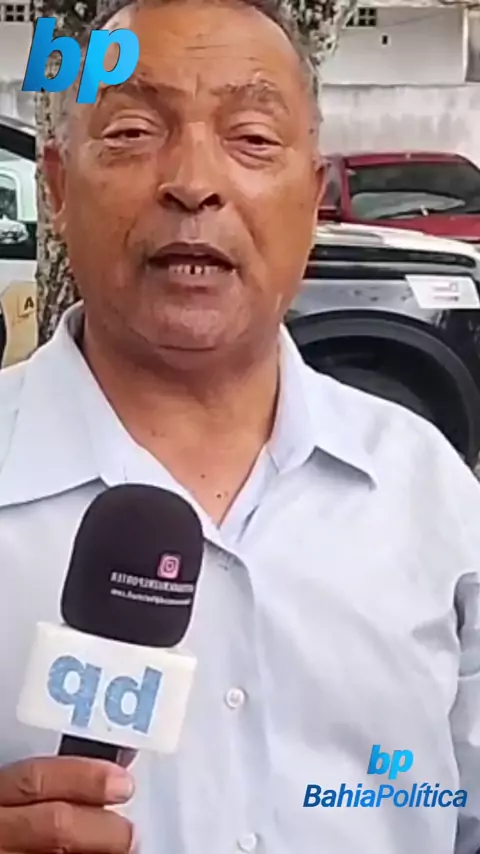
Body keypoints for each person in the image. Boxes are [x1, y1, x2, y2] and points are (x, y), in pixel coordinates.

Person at [1, 1, 480, 853]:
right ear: (59, 188)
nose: (193, 182)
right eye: (134, 132)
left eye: (252, 137)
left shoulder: (428, 491)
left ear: (314, 194)